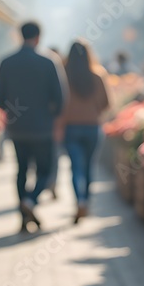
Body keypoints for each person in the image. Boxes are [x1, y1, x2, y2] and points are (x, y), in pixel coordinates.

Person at [0, 21, 66, 232]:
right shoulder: (48, 62)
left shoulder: (7, 62)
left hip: (17, 128)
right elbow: (60, 98)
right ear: (38, 37)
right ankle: (31, 201)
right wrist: (50, 115)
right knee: (46, 169)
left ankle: (23, 217)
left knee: (21, 170)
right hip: (42, 127)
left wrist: (12, 111)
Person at [58, 40, 110, 223]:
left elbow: (59, 103)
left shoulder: (63, 76)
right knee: (89, 167)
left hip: (71, 127)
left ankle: (78, 200)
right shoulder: (97, 75)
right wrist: (93, 110)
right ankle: (86, 201)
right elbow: (106, 103)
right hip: (92, 127)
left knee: (75, 167)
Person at [41, 46, 65, 201]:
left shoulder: (44, 70)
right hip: (52, 123)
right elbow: (61, 99)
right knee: (53, 157)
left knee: (48, 158)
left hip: (43, 123)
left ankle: (47, 185)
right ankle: (50, 184)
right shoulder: (56, 71)